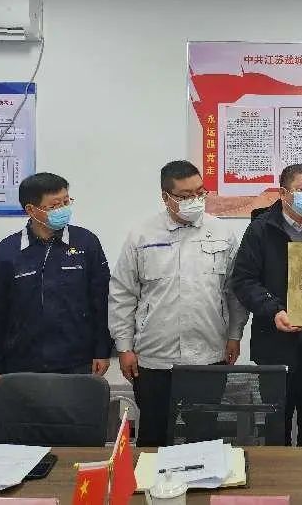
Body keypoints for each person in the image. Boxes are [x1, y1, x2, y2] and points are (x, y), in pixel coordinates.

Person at [108, 160, 248, 447]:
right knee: (154, 435)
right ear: (166, 197)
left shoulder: (222, 233)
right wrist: (123, 347)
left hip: (208, 353)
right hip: (154, 357)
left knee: (205, 435)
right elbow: (123, 293)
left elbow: (234, 292)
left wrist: (234, 335)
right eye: (185, 196)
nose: (195, 200)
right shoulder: (142, 235)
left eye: (200, 192)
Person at [0, 173, 111, 432]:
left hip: (77, 361)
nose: (63, 209)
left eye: (66, 201)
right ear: (31, 209)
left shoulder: (86, 243)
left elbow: (101, 301)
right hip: (23, 363)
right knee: (28, 433)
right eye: (54, 205)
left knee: (73, 432)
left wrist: (102, 350)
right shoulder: (8, 252)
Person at [230, 164, 302, 446]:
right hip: (275, 344)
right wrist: (273, 309)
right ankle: (276, 474)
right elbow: (244, 281)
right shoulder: (260, 231)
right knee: (275, 422)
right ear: (283, 193)